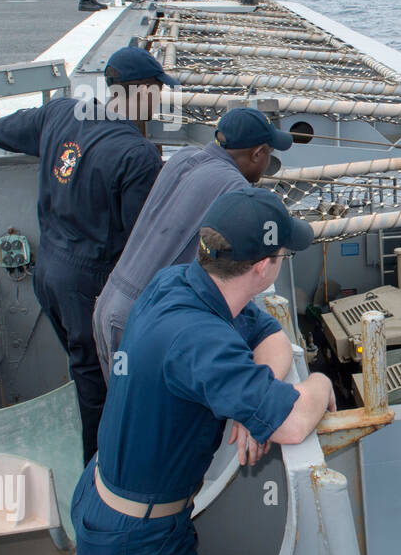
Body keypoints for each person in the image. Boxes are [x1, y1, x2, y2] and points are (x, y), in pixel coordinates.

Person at [70, 188, 333, 555]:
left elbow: (272, 339)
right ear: (263, 267)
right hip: (141, 547)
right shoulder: (199, 336)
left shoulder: (183, 284)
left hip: (104, 507)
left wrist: (253, 404)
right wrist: (317, 383)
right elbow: (298, 423)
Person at [0, 47, 174, 463]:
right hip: (89, 286)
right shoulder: (138, 155)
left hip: (48, 274)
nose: (161, 100)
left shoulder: (62, 113)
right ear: (142, 92)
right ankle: (103, 471)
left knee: (81, 367)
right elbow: (142, 243)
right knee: (98, 387)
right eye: (159, 91)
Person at [93, 106, 295, 374]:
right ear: (257, 153)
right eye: (268, 154)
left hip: (110, 302)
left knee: (122, 401)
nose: (267, 163)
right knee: (142, 411)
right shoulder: (235, 189)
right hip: (140, 319)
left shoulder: (184, 158)